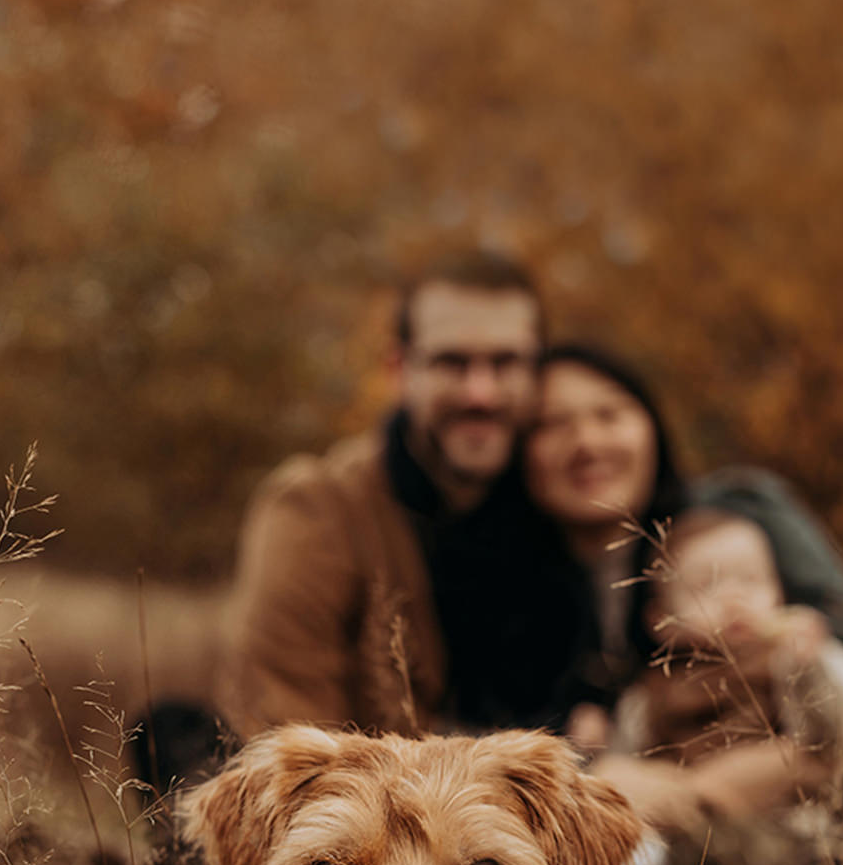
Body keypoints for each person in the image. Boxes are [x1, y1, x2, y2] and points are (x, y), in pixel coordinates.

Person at [524, 341, 843, 831]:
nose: (586, 441)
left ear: (651, 423)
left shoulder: (735, 518)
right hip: (663, 838)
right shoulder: (523, 588)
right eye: (553, 424)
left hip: (831, 821)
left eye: (609, 414)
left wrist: (797, 759)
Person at [220, 251, 585, 740]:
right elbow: (290, 744)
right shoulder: (319, 509)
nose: (481, 393)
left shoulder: (566, 495)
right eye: (452, 363)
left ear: (538, 371)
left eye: (505, 362)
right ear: (399, 370)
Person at [574, 505, 843, 777]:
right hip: (694, 825)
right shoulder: (653, 690)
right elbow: (628, 761)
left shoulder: (790, 657)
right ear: (661, 621)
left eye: (750, 580)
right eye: (708, 586)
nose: (735, 599)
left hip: (790, 815)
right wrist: (594, 749)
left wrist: (811, 665)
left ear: (780, 592)